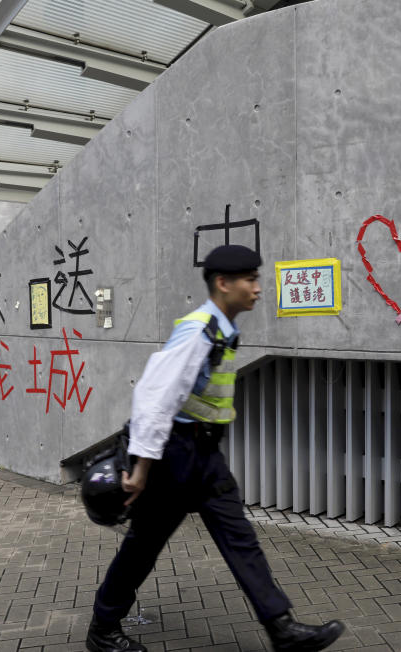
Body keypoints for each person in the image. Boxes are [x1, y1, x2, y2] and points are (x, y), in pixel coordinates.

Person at [87, 245, 345, 652]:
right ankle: (103, 629)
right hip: (174, 456)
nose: (258, 288)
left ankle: (282, 628)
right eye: (251, 280)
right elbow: (155, 398)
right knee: (143, 546)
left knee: (239, 536)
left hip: (205, 456)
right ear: (223, 284)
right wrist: (141, 468)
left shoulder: (222, 327)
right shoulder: (199, 330)